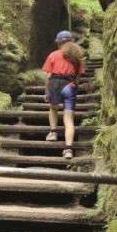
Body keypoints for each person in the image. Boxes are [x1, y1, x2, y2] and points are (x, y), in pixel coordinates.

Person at [42, 30, 86, 159]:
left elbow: (48, 76)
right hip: (70, 85)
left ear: (58, 43)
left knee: (53, 108)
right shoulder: (77, 55)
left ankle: (53, 132)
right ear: (71, 41)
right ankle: (68, 149)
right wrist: (74, 86)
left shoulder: (53, 55)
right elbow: (78, 76)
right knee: (69, 118)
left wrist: (47, 91)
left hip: (55, 83)